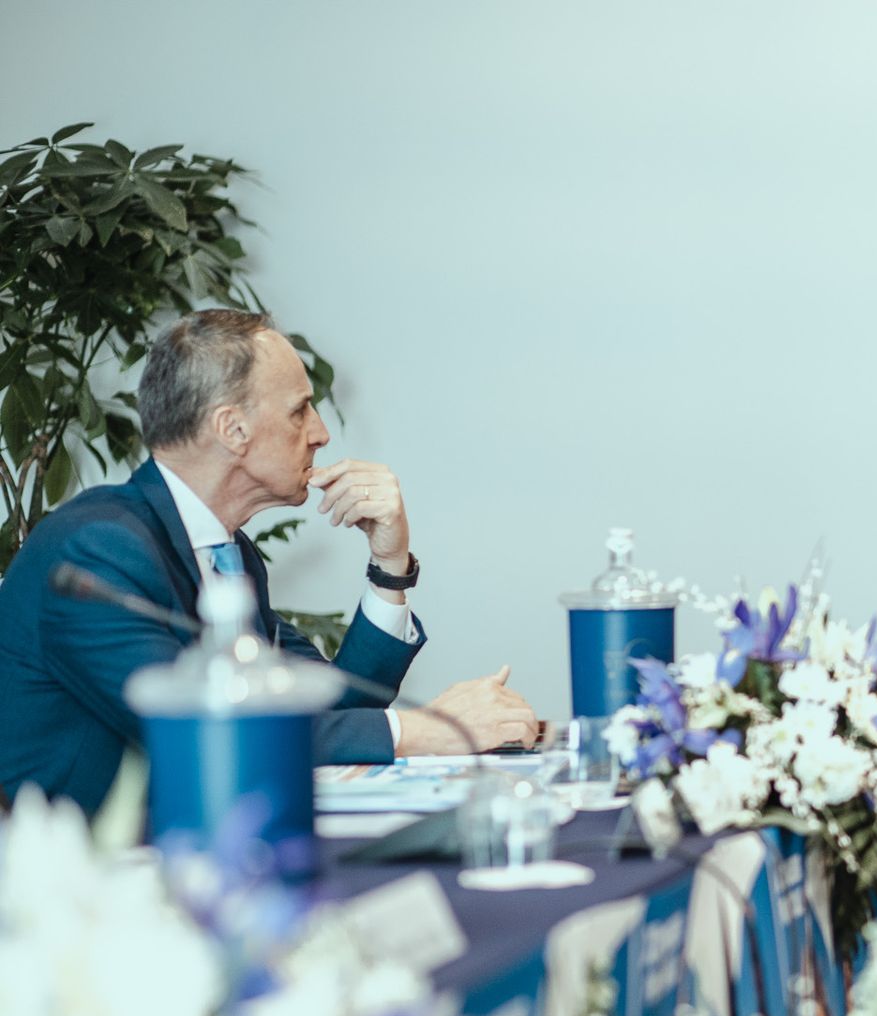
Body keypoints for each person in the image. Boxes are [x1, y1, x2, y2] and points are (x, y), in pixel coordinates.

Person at [0, 309, 535, 815]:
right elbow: (211, 734)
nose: (322, 432)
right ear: (232, 429)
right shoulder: (96, 551)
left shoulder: (228, 552)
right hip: (96, 877)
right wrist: (430, 729)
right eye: (300, 409)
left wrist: (389, 566)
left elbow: (329, 708)